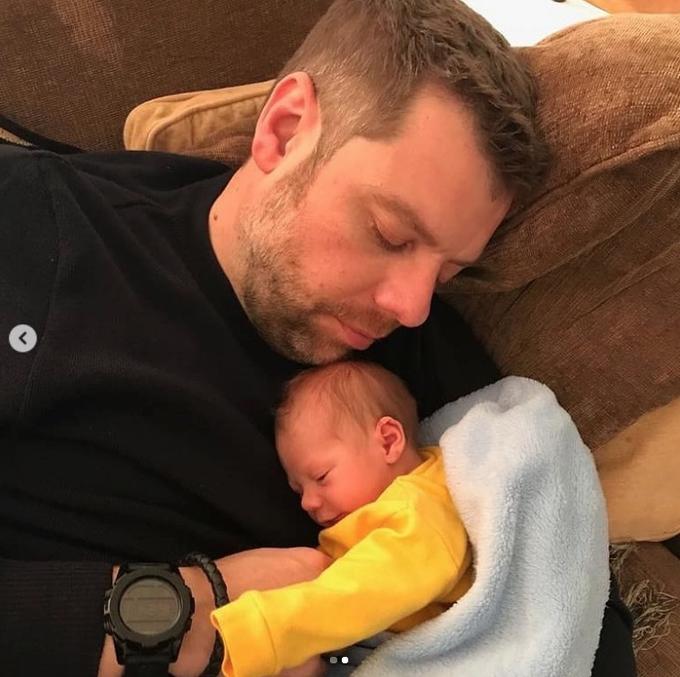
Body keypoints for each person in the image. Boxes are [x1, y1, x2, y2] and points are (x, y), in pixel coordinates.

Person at [0, 1, 633, 676]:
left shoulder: (417, 355)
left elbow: (576, 613)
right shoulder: (36, 221)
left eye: (450, 270)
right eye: (390, 234)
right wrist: (188, 609)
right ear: (285, 130)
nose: (413, 305)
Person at [211, 360, 473, 676]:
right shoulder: (389, 502)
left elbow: (365, 590)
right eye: (298, 490)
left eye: (321, 476)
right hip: (355, 650)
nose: (307, 502)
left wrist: (266, 629)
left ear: (388, 441)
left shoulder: (419, 512)